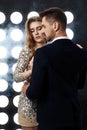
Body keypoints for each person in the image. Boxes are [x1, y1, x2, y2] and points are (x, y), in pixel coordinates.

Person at [25, 7, 87, 130]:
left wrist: (28, 88)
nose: (42, 31)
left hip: (50, 120)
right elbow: (80, 84)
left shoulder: (43, 53)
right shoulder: (81, 52)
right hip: (74, 119)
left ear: (55, 26)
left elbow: (34, 92)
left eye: (43, 26)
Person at [13, 16, 46, 130]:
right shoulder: (28, 50)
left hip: (48, 101)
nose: (36, 33)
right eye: (32, 30)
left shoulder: (52, 48)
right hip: (29, 104)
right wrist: (33, 70)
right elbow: (16, 76)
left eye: (39, 28)